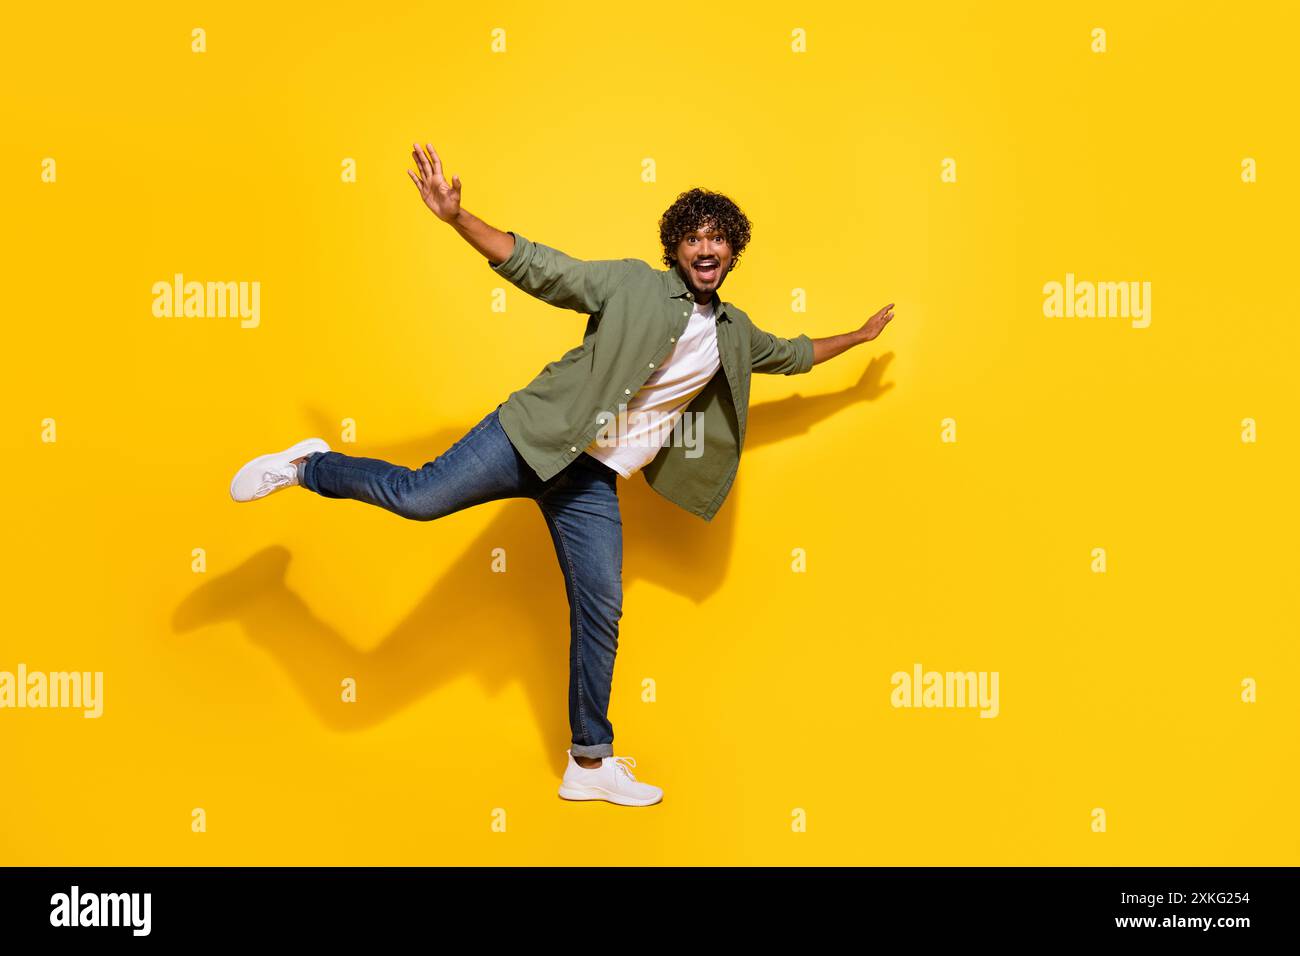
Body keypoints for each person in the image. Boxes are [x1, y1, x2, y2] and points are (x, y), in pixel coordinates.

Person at [229, 142, 897, 807]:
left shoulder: (734, 333)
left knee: (601, 608)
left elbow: (794, 354)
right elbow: (543, 269)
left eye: (718, 240)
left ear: (732, 254)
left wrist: (858, 339)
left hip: (590, 481)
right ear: (676, 247)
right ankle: (309, 464)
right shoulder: (634, 283)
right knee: (417, 498)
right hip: (532, 436)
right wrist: (457, 219)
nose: (705, 249)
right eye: (694, 237)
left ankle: (589, 760)